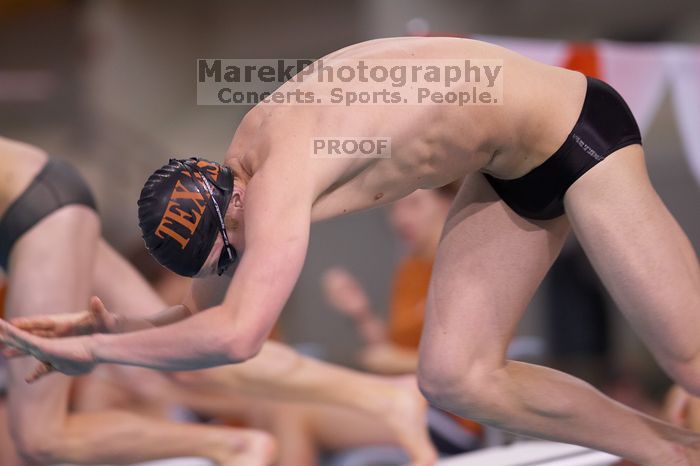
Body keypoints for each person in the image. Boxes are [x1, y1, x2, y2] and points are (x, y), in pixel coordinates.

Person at [2, 36, 699, 465]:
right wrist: (115, 327)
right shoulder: (232, 187)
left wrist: (94, 358)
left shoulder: (277, 177)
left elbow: (239, 336)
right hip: (506, 169)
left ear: (235, 205)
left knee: (688, 362)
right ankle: (671, 454)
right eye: (225, 260)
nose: (236, 260)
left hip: (578, 130)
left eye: (229, 251)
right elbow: (200, 310)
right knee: (456, 376)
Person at [0, 136, 435, 465]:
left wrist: (98, 348)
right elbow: (197, 329)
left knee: (39, 435)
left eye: (221, 260)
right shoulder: (247, 185)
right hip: (40, 193)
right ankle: (380, 395)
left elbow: (237, 337)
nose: (223, 271)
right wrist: (116, 337)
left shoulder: (277, 182)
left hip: (29, 206)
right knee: (184, 349)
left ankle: (235, 444)